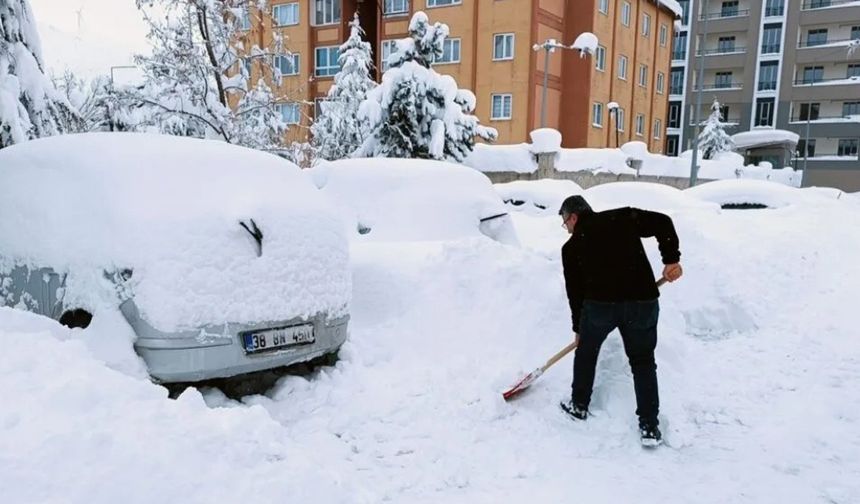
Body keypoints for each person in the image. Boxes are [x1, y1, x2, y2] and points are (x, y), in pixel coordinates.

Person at [557, 195, 682, 446]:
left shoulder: (571, 249)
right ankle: (649, 426)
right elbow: (663, 222)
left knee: (587, 352)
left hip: (600, 307)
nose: (566, 229)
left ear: (573, 216)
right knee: (643, 362)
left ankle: (579, 405)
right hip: (642, 303)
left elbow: (575, 293)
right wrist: (671, 259)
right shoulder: (622, 217)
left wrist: (578, 328)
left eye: (564, 222)